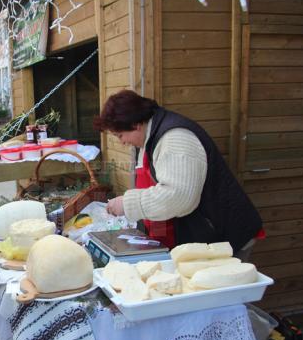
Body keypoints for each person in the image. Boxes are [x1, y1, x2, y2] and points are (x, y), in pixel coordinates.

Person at [95, 89, 263, 260]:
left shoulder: (175, 138)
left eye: (120, 135)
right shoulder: (150, 135)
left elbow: (178, 197)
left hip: (226, 236)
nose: (122, 142)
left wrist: (127, 204)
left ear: (136, 124)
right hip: (204, 233)